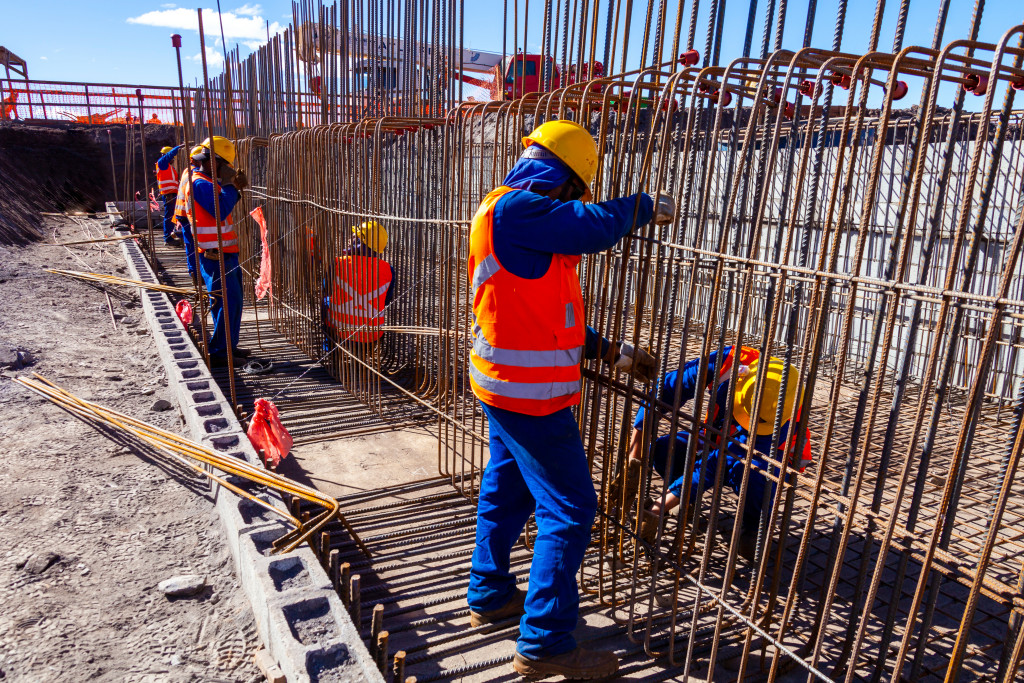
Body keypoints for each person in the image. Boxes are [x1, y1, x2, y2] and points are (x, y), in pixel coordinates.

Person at [466, 119, 674, 680]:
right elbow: (591, 226)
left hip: (504, 385)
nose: (576, 199)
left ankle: (488, 593)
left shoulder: (522, 223)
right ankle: (546, 643)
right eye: (576, 189)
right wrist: (642, 206)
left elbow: (539, 314)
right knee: (571, 510)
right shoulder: (513, 211)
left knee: (507, 487)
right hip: (531, 398)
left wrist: (613, 353)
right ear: (564, 180)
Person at [613, 346, 812, 561]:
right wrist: (635, 454)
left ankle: (754, 524)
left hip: (763, 458)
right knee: (665, 448)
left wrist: (657, 508)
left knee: (757, 475)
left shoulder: (786, 410)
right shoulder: (729, 361)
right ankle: (684, 500)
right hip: (716, 437)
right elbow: (666, 390)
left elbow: (716, 465)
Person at [186, 136, 250, 367]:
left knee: (232, 302)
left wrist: (231, 187)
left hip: (224, 253)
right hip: (215, 256)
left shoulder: (208, 181)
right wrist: (231, 185)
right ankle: (221, 350)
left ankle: (228, 345)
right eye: (226, 165)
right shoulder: (200, 183)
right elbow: (220, 209)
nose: (229, 170)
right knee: (226, 303)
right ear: (215, 161)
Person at [324, 221, 394, 351]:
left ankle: (331, 349)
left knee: (326, 301)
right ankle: (363, 352)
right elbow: (386, 300)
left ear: (361, 244)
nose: (349, 241)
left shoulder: (338, 263)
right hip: (372, 335)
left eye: (354, 237)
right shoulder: (388, 269)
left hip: (340, 332)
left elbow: (326, 290)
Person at [175, 146, 205, 280]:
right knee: (193, 244)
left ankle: (194, 271)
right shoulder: (195, 174)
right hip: (186, 213)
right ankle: (194, 272)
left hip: (182, 212)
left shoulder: (188, 170)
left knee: (190, 243)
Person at [155, 145, 182, 245]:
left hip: (172, 194)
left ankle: (172, 235)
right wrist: (178, 147)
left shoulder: (169, 167)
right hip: (169, 194)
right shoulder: (162, 163)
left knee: (173, 215)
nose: (172, 160)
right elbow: (168, 156)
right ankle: (168, 238)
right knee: (169, 216)